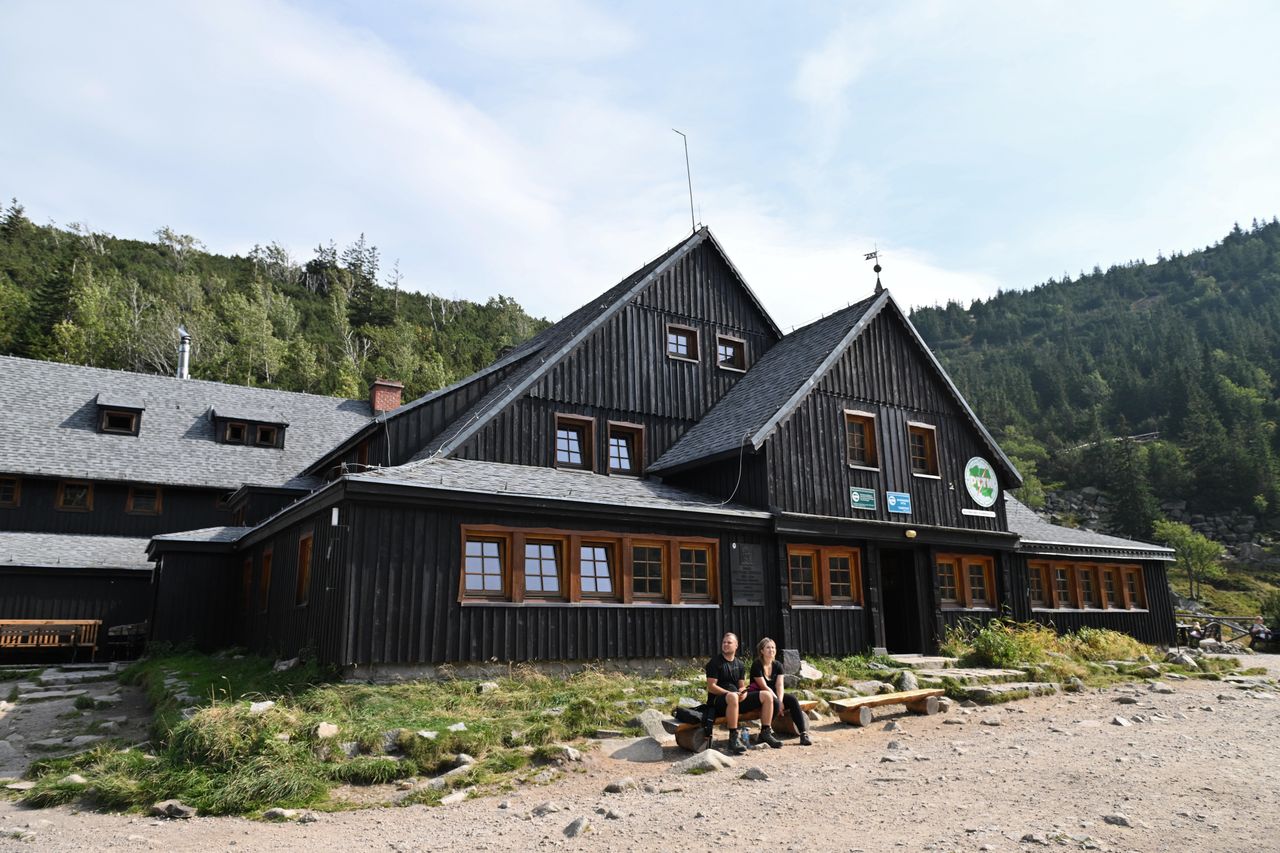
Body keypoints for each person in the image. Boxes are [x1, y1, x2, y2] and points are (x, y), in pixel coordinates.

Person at [703, 631, 777, 754]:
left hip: (736, 699)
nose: (725, 644)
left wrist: (744, 693)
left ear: (736, 645)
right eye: (724, 642)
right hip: (718, 701)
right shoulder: (714, 663)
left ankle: (765, 732)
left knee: (767, 695)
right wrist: (729, 693)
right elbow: (711, 687)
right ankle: (733, 738)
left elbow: (741, 686)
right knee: (732, 696)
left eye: (729, 642)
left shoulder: (740, 664)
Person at [750, 637, 813, 747]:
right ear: (762, 651)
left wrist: (780, 700)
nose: (771, 650)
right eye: (768, 647)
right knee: (774, 702)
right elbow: (764, 686)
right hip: (760, 695)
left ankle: (803, 734)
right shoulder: (756, 665)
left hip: (773, 693)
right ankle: (765, 733)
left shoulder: (778, 665)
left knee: (792, 699)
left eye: (773, 647)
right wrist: (779, 703)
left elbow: (779, 685)